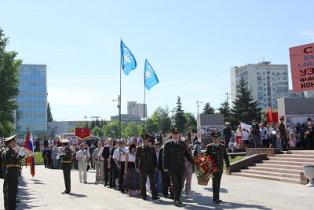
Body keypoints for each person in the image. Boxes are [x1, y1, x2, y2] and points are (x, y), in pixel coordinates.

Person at [163, 128, 193, 207]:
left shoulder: (182, 143)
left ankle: (178, 198)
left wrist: (194, 162)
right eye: (174, 134)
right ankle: (176, 199)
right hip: (172, 167)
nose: (176, 135)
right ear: (172, 135)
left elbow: (187, 154)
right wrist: (165, 166)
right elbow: (165, 156)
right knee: (174, 183)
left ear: (179, 134)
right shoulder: (168, 144)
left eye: (177, 134)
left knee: (180, 184)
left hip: (181, 167)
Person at [205, 131, 230, 204]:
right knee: (214, 182)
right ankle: (215, 198)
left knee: (218, 183)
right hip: (213, 168)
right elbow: (205, 157)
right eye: (214, 138)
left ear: (219, 138)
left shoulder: (222, 146)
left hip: (220, 168)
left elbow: (225, 156)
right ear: (212, 138)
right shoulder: (209, 147)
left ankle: (216, 197)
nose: (216, 139)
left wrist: (228, 165)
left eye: (217, 138)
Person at [2, 135, 25, 210]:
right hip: (11, 174)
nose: (15, 142)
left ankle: (10, 207)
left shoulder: (10, 150)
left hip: (11, 173)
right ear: (10, 143)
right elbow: (14, 161)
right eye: (14, 141)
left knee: (12, 192)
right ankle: (10, 207)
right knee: (10, 193)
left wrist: (20, 155)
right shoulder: (9, 151)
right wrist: (21, 155)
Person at [135, 134, 159, 200]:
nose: (145, 141)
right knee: (143, 182)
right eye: (143, 140)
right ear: (142, 140)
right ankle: (144, 195)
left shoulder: (152, 148)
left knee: (153, 182)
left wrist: (156, 166)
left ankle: (154, 196)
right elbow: (136, 158)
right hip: (143, 168)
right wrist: (136, 167)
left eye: (146, 140)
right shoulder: (139, 148)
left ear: (148, 140)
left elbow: (155, 158)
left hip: (152, 168)